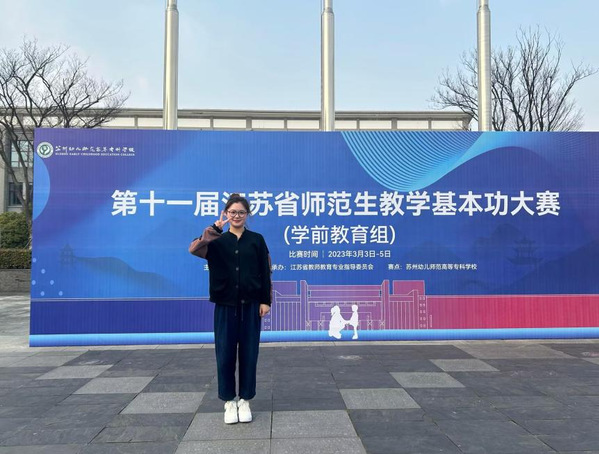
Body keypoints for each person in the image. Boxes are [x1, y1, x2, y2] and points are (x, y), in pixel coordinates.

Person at [189, 193, 272, 424]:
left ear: (248, 214)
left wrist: (265, 301)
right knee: (225, 354)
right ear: (226, 214)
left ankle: (245, 400)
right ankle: (228, 401)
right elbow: (194, 249)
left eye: (241, 212)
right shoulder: (216, 240)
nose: (236, 216)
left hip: (251, 306)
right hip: (225, 306)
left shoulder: (256, 240)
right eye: (232, 212)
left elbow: (265, 271)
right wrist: (214, 229)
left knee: (249, 354)